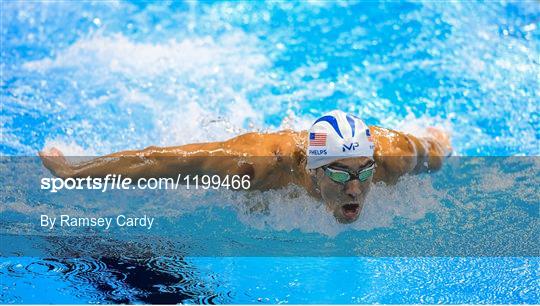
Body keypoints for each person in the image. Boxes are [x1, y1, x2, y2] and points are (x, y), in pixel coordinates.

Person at [40, 110, 452, 223]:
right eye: (341, 174)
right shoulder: (258, 165)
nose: (356, 189)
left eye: (363, 172)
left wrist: (440, 142)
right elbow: (161, 160)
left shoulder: (391, 157)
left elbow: (436, 147)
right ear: (312, 169)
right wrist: (76, 172)